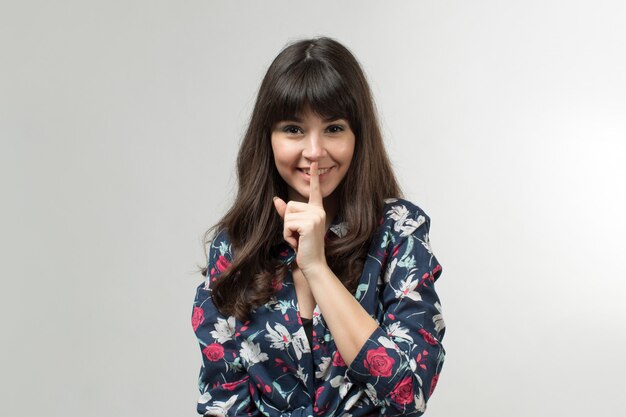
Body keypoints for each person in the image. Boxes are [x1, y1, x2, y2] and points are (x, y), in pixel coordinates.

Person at [191, 37, 445, 417]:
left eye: (334, 128)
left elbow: (408, 391)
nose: (314, 151)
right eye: (293, 129)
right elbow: (221, 403)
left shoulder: (399, 231)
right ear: (268, 138)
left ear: (358, 137)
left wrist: (316, 268)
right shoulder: (234, 250)